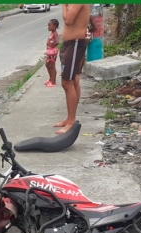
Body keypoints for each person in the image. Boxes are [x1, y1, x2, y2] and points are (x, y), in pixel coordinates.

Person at [54, 4, 90, 135]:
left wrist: (64, 4)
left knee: (67, 82)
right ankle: (69, 118)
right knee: (73, 80)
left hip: (75, 43)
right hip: (72, 44)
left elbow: (68, 20)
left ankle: (71, 121)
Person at [45, 19, 59, 88]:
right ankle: (50, 79)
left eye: (49, 25)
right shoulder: (51, 33)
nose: (48, 27)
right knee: (47, 65)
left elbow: (57, 41)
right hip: (49, 52)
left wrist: (52, 46)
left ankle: (53, 82)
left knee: (52, 66)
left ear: (54, 26)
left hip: (52, 52)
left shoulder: (55, 33)